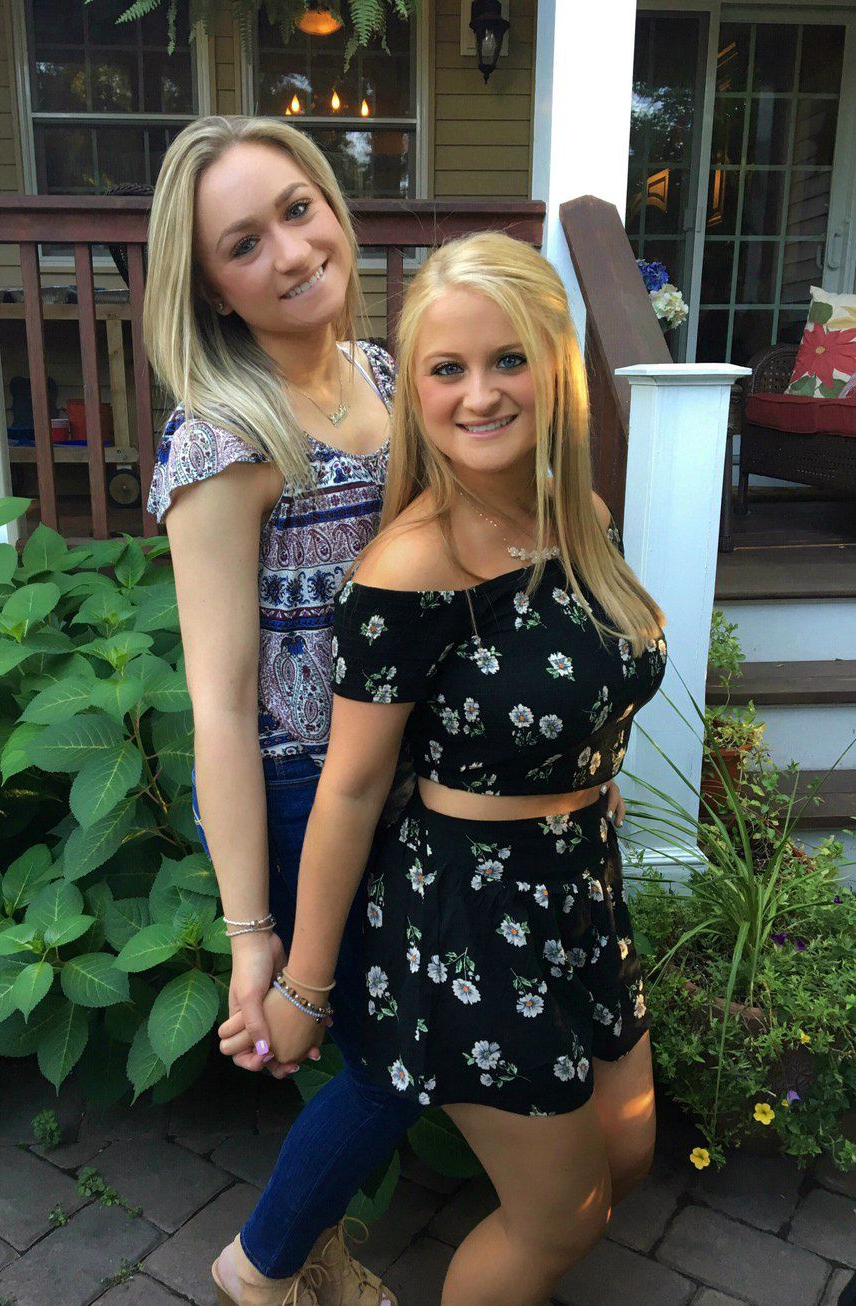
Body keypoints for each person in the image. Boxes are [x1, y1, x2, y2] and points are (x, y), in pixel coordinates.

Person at [244, 231, 667, 1305]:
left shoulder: (579, 521)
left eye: (508, 359)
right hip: (471, 920)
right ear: (418, 391)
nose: (479, 394)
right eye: (447, 368)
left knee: (623, 1157)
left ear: (555, 368)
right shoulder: (411, 567)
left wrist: (586, 773)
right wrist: (302, 983)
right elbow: (349, 788)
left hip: (578, 889)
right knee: (557, 1217)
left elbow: (588, 679)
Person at [143, 115, 413, 1305]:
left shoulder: (388, 377)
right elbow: (219, 704)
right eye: (244, 243)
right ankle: (260, 1265)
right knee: (401, 1048)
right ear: (210, 287)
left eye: (298, 210)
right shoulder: (221, 439)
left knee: (380, 1036)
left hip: (405, 774)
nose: (292, 251)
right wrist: (251, 932)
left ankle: (306, 1246)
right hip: (304, 789)